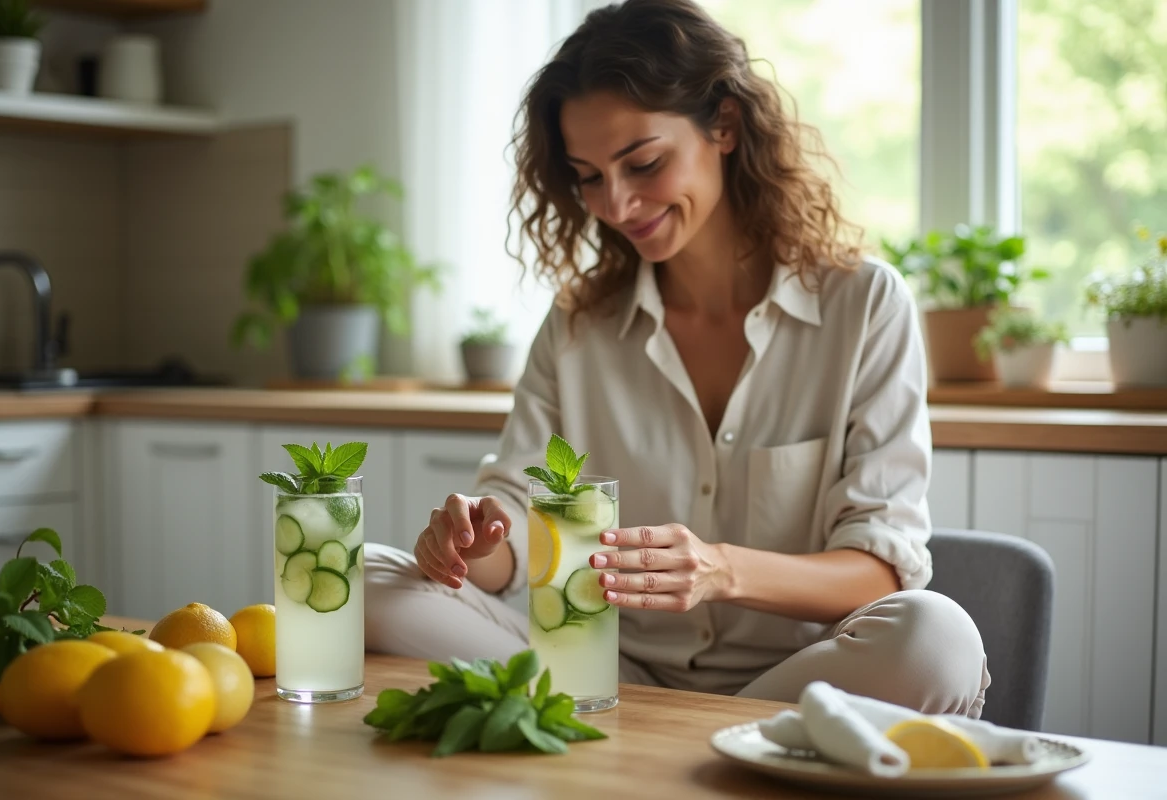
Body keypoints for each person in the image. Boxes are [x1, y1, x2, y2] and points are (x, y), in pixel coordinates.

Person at [362, 0, 989, 717]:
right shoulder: (576, 327)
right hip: (593, 669)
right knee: (370, 578)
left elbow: (879, 572)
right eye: (589, 177)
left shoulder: (865, 304)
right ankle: (677, 755)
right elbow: (517, 542)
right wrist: (478, 539)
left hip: (796, 683)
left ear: (724, 125)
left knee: (937, 635)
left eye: (644, 163)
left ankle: (653, 755)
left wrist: (720, 570)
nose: (618, 203)